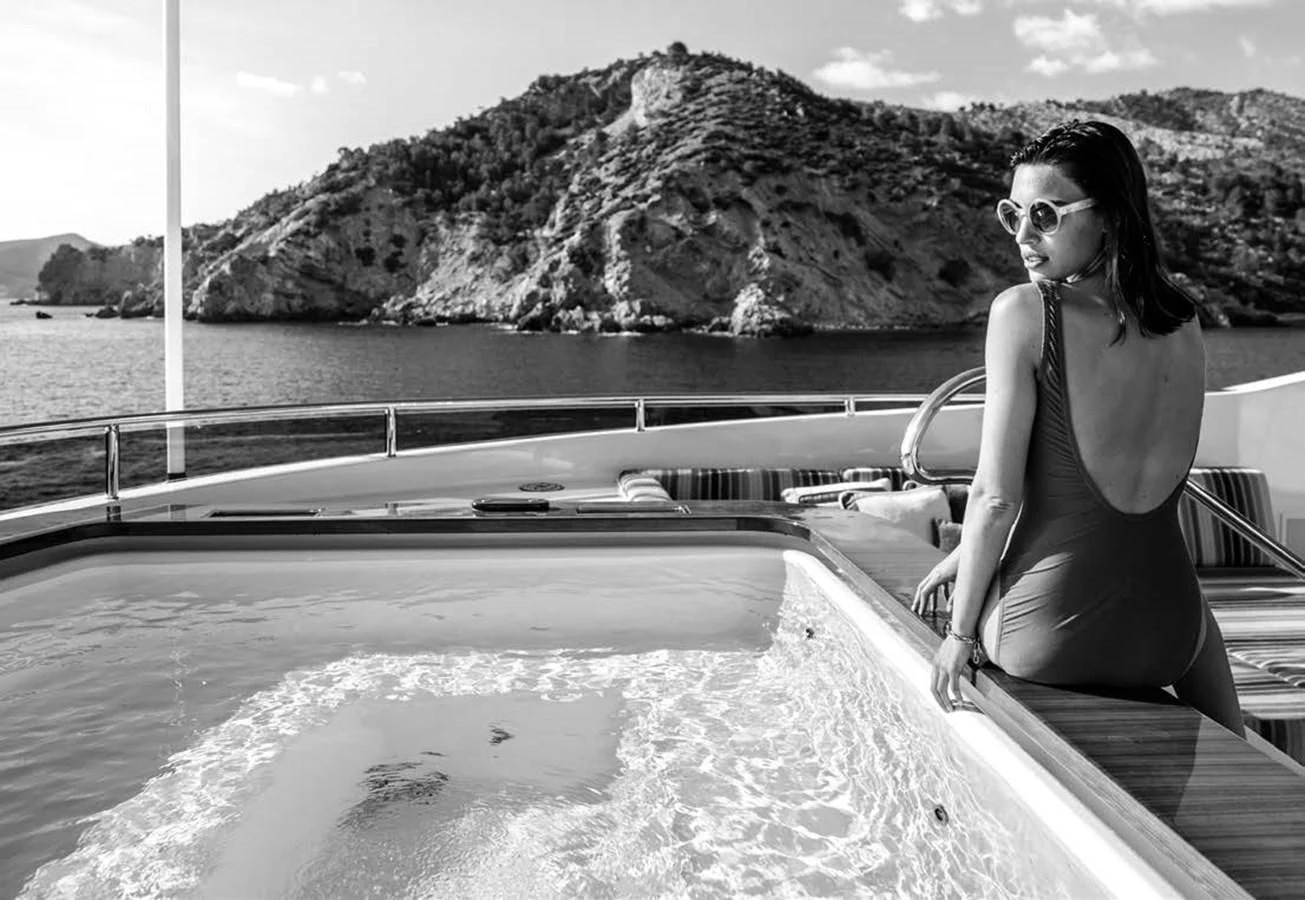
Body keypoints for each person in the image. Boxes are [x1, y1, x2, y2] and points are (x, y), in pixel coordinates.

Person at [911, 119, 1244, 735]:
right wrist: (969, 556)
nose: (1024, 236)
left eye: (1046, 214)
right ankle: (1243, 746)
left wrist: (958, 636)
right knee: (1184, 602)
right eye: (1012, 215)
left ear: (1110, 216)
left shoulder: (1023, 311)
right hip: (1170, 633)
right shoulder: (1185, 323)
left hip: (1051, 638)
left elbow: (995, 497)